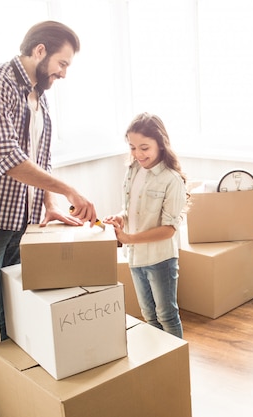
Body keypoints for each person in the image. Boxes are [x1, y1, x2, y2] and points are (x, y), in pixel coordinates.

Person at [0, 21, 99, 417]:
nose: (64, 73)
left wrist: (49, 204)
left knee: (16, 314)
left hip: (22, 221)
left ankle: (17, 395)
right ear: (39, 50)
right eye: (62, 63)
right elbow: (9, 159)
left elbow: (39, 159)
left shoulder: (39, 96)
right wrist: (70, 190)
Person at [104, 112, 188, 339]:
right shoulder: (132, 170)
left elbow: (169, 229)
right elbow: (133, 211)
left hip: (161, 260)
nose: (138, 154)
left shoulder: (172, 179)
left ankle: (175, 365)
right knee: (148, 315)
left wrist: (128, 239)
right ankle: (158, 361)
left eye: (144, 147)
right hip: (135, 258)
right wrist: (120, 218)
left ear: (160, 144)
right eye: (132, 147)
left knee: (166, 315)